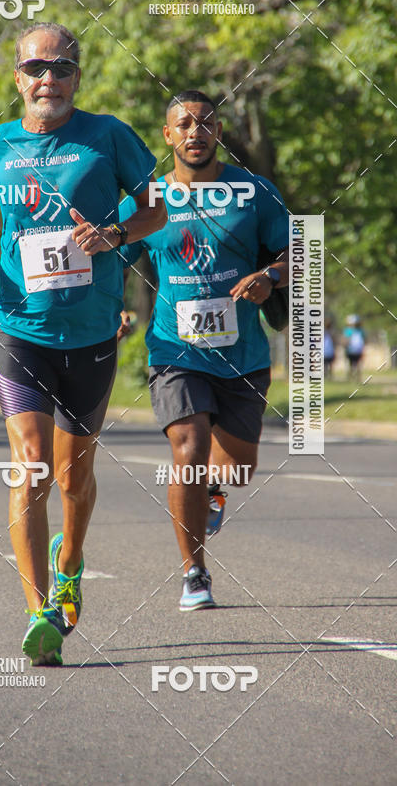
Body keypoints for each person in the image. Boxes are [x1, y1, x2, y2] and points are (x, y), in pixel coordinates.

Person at [0, 22, 166, 665]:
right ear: (17, 76)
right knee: (32, 465)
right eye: (36, 68)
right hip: (19, 326)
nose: (48, 79)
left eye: (62, 68)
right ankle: (38, 612)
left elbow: (157, 210)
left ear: (79, 76)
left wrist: (116, 235)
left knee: (75, 475)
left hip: (92, 327)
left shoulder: (109, 136)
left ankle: (70, 564)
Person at [119, 90, 289, 611]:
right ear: (168, 135)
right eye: (184, 124)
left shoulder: (253, 191)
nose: (195, 132)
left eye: (206, 123)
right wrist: (113, 309)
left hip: (243, 354)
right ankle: (195, 572)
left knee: (236, 469)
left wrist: (270, 276)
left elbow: (300, 251)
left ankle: (214, 491)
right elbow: (109, 253)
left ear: (219, 132)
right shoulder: (148, 199)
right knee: (188, 450)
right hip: (176, 349)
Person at [343, 314, 365, 381]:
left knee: (358, 365)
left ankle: (357, 378)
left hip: (358, 350)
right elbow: (345, 340)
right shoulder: (348, 330)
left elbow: (364, 340)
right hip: (350, 350)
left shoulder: (360, 331)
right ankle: (350, 377)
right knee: (350, 365)